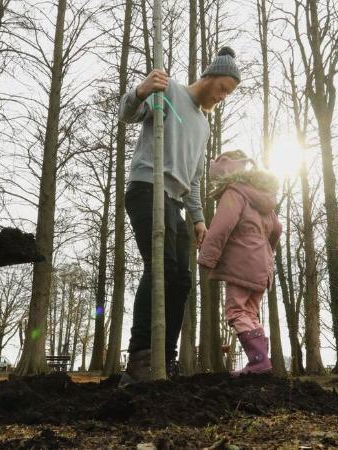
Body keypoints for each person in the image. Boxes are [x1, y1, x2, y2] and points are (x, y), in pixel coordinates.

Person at [117, 47, 241, 384]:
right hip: (146, 187)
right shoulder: (168, 90)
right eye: (223, 89)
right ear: (210, 76)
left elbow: (195, 177)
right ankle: (140, 358)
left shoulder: (203, 124)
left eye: (229, 93)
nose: (223, 97)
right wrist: (141, 90)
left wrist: (198, 217)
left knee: (181, 280)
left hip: (174, 202)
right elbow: (127, 114)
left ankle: (165, 359)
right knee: (160, 267)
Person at [197, 150, 281, 376]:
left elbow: (221, 228)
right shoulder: (263, 197)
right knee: (250, 313)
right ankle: (261, 363)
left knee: (236, 311)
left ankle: (259, 361)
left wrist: (206, 258)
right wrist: (265, 251)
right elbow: (277, 229)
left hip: (242, 263)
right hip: (262, 265)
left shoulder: (235, 193)